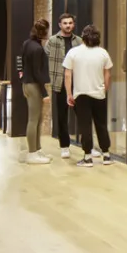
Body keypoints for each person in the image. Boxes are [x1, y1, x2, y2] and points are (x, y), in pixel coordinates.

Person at [64, 24, 113, 167]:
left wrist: (69, 94)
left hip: (81, 94)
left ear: (83, 36)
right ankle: (106, 155)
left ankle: (87, 157)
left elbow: (68, 75)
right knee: (101, 124)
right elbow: (107, 75)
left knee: (85, 125)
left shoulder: (73, 52)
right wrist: (105, 90)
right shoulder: (103, 53)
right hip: (99, 94)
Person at [45, 13, 82, 160]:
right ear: (60, 25)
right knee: (61, 116)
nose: (68, 25)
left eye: (70, 23)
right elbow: (44, 58)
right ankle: (64, 146)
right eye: (65, 23)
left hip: (78, 82)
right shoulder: (52, 41)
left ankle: (88, 145)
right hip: (59, 82)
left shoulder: (79, 41)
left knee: (82, 114)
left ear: (73, 24)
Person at [19, 19, 51, 164]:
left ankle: (36, 149)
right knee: (33, 119)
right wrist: (44, 93)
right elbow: (37, 73)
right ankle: (32, 153)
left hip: (27, 84)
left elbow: (22, 63)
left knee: (36, 119)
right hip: (34, 85)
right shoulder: (37, 49)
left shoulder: (27, 44)